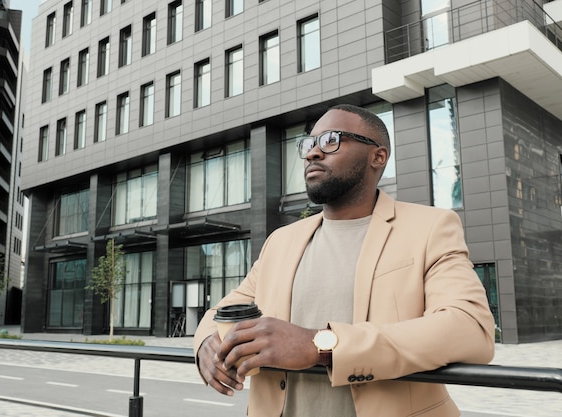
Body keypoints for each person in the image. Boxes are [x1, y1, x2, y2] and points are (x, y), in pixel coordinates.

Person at [194, 104, 495, 416]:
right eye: (309, 144)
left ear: (378, 157)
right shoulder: (281, 241)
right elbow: (225, 311)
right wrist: (204, 342)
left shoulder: (430, 227)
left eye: (331, 140)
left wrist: (320, 346)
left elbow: (470, 328)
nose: (313, 153)